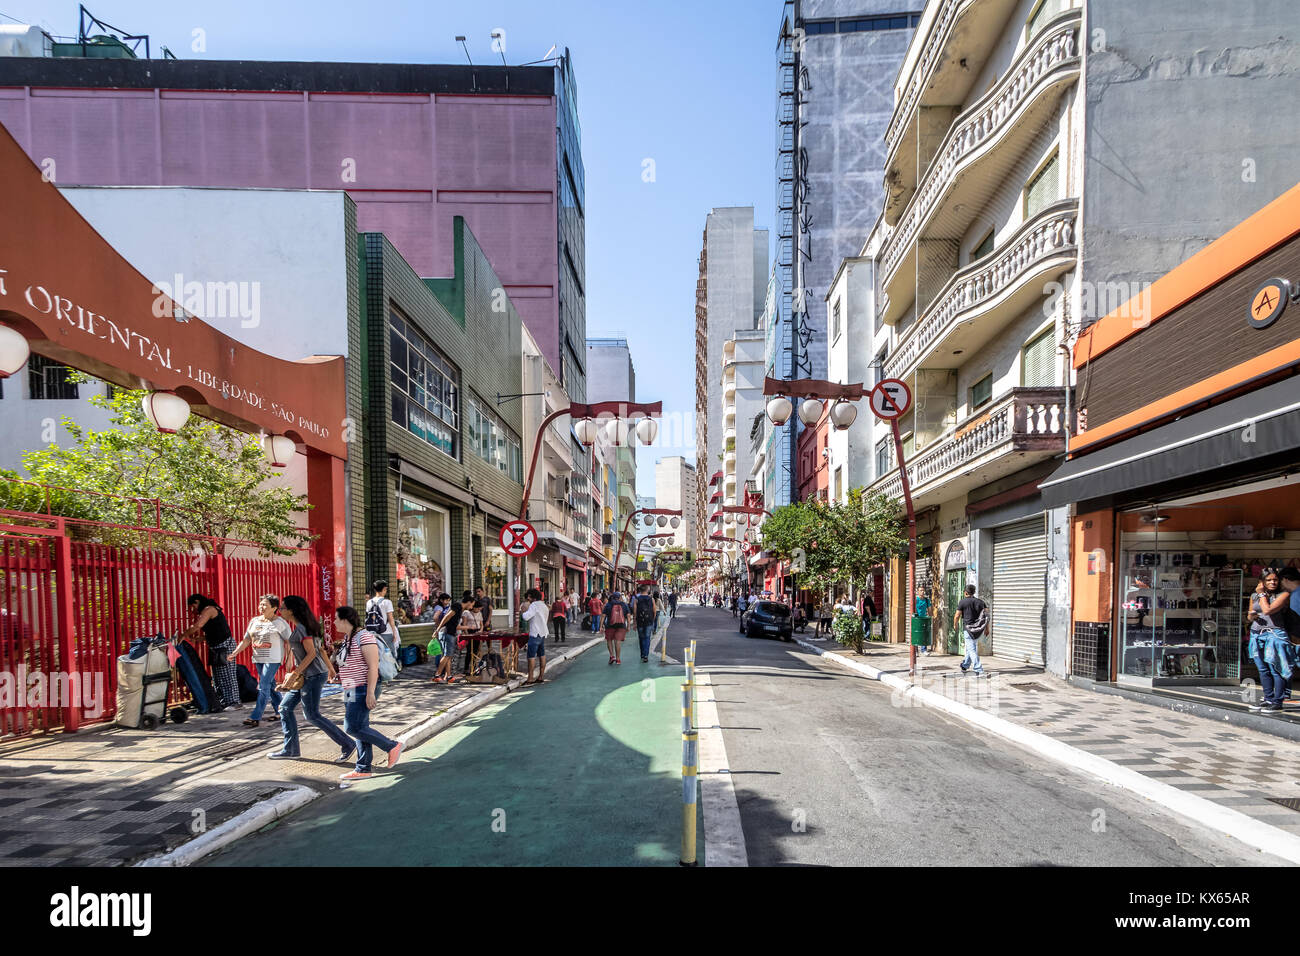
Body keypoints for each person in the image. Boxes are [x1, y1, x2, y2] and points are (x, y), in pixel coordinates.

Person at [269, 595, 353, 761]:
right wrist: (330, 668)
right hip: (311, 675)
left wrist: (295, 674)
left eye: (283, 608)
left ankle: (348, 744)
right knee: (285, 708)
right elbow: (321, 649)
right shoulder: (306, 626)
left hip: (312, 676)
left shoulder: (303, 628)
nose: (280, 611)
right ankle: (290, 750)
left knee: (312, 715)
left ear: (291, 610)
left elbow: (312, 653)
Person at [335, 605, 402, 781]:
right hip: (349, 687)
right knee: (361, 727)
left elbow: (373, 667)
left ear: (344, 620)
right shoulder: (348, 638)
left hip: (362, 686)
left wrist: (370, 693)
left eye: (336, 619)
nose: (334, 622)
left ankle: (391, 746)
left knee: (352, 727)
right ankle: (363, 768)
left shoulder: (364, 637)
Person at [229, 594, 289, 728]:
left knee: (263, 686)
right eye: (260, 604)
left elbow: (289, 640)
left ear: (274, 608)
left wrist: (290, 659)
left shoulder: (279, 623)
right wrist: (235, 653)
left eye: (265, 605)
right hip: (258, 658)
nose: (261, 607)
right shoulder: (254, 621)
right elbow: (247, 640)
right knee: (270, 685)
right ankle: (281, 710)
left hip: (273, 659)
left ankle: (255, 716)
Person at [181, 593, 241, 710]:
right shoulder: (209, 610)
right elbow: (213, 632)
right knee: (218, 676)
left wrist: (184, 635)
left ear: (197, 602)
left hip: (225, 646)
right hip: (216, 647)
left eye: (193, 606)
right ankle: (223, 701)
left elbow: (198, 625)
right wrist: (196, 639)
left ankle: (234, 702)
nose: (193, 610)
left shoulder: (209, 609)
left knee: (228, 674)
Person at [1248, 570, 1293, 713]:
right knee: (1262, 669)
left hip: (1275, 634)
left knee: (1276, 668)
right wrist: (1252, 616)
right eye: (1268, 580)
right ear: (1262, 581)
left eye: (1275, 580)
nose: (1272, 582)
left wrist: (1261, 593)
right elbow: (1249, 616)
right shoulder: (1254, 596)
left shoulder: (1283, 595)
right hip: (1257, 633)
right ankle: (1268, 699)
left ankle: (1277, 701)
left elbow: (1267, 610)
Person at [954, 585, 989, 677]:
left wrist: (955, 624)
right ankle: (965, 665)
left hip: (968, 629)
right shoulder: (981, 602)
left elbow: (957, 615)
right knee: (971, 647)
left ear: (965, 592)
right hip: (978, 629)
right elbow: (986, 616)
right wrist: (987, 628)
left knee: (972, 649)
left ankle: (979, 669)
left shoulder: (962, 602)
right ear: (973, 592)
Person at [365, 580, 399, 660]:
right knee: (389, 654)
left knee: (377, 654)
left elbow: (368, 617)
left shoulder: (369, 602)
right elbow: (391, 619)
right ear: (384, 589)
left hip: (373, 632)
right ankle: (390, 671)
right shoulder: (387, 602)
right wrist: (394, 632)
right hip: (386, 632)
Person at [521, 588, 549, 685]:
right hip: (543, 632)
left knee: (531, 656)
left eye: (528, 597)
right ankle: (541, 676)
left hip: (535, 632)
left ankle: (530, 678)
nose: (527, 599)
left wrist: (523, 611)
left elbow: (526, 617)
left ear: (531, 597)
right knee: (542, 654)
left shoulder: (534, 605)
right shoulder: (544, 606)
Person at [458, 591, 485, 675]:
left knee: (476, 651)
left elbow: (481, 624)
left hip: (477, 631)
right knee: (469, 651)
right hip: (469, 631)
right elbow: (464, 624)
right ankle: (466, 668)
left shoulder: (479, 613)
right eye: (477, 608)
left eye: (480, 609)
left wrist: (481, 630)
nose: (478, 610)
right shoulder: (466, 613)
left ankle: (473, 667)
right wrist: (466, 634)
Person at [605, 590, 630, 664]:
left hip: (610, 625)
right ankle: (618, 659)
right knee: (617, 641)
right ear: (620, 597)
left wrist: (600, 626)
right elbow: (628, 616)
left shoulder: (609, 604)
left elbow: (603, 615)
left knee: (609, 640)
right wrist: (628, 626)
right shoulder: (624, 604)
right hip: (621, 625)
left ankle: (612, 656)